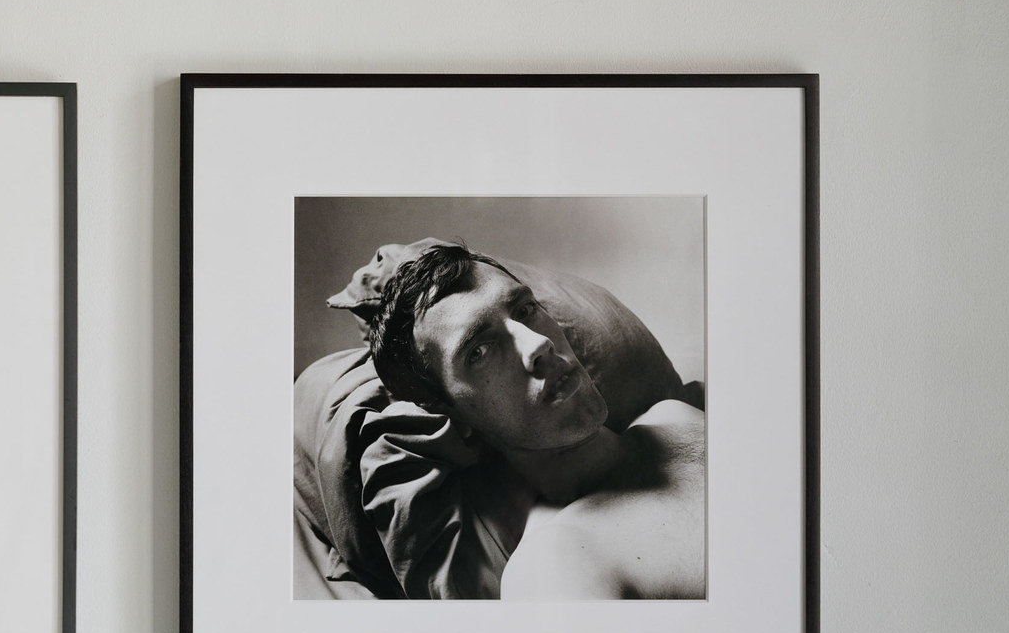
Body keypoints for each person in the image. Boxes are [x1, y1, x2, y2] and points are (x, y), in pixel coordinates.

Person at [292, 238, 706, 600]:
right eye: (480, 351)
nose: (539, 343)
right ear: (449, 410)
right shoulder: (560, 564)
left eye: (525, 309)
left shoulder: (672, 415)